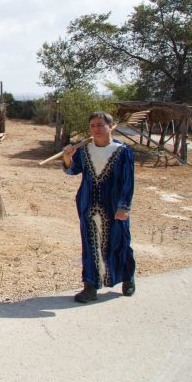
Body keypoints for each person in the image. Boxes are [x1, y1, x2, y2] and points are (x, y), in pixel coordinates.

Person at [62, 111, 136, 303]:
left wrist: (124, 207)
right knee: (89, 244)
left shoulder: (122, 152)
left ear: (110, 127)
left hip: (114, 205)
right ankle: (90, 286)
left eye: (101, 125)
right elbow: (72, 170)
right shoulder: (85, 151)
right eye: (93, 125)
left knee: (119, 242)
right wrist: (68, 156)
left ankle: (128, 278)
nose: (96, 129)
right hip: (88, 203)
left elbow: (128, 182)